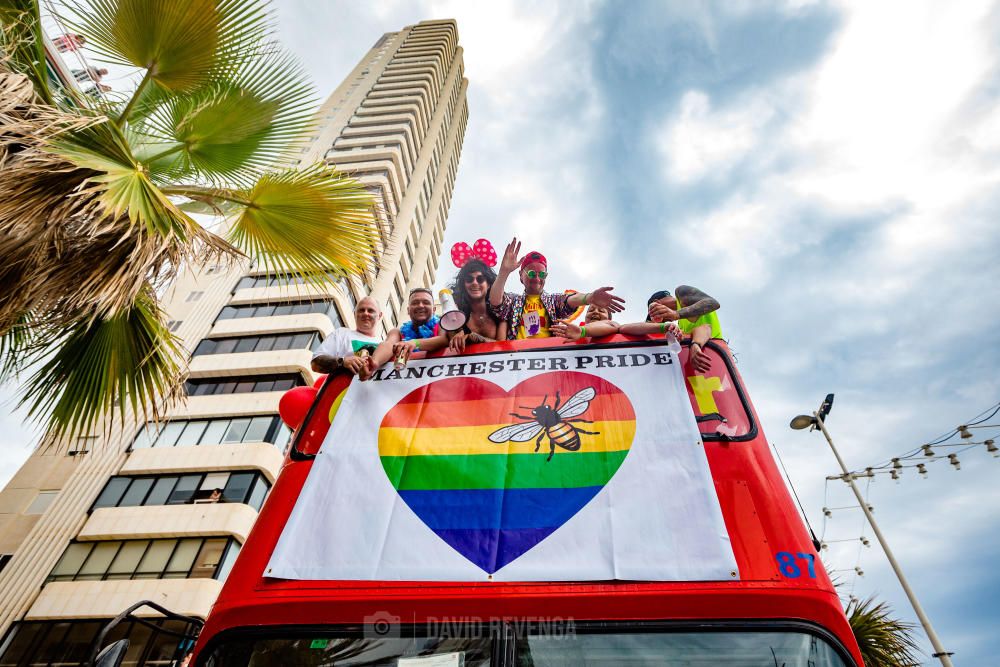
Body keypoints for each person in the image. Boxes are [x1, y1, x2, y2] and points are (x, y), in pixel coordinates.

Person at [489, 237, 625, 340]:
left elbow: (569, 300)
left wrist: (589, 297)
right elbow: (496, 302)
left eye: (542, 274)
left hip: (548, 357)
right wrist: (504, 273)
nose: (537, 278)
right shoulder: (514, 301)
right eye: (531, 273)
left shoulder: (553, 301)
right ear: (520, 276)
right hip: (519, 358)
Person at [621, 287, 721, 373]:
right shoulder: (681, 324)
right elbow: (703, 328)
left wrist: (676, 314)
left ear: (657, 303)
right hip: (707, 363)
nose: (663, 320)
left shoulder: (681, 292)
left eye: (657, 313)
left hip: (717, 354)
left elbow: (713, 303)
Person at [445, 241, 508, 353]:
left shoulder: (501, 310)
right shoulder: (455, 311)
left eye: (480, 279)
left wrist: (476, 338)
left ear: (488, 284)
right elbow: (451, 341)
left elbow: (502, 347)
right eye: (469, 279)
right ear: (464, 285)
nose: (474, 283)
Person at [370, 288, 449, 369]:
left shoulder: (443, 324)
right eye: (415, 303)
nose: (420, 305)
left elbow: (443, 339)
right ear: (408, 310)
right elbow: (389, 344)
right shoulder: (398, 332)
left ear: (434, 309)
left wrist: (415, 343)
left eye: (426, 302)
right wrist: (374, 363)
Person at [311, 296, 383, 379]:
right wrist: (342, 361)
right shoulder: (342, 334)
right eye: (361, 310)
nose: (365, 313)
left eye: (371, 310)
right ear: (355, 314)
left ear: (379, 315)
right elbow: (315, 363)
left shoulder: (385, 346)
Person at [550, 304, 621, 340]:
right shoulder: (572, 333)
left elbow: (614, 326)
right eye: (591, 310)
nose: (595, 312)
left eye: (601, 311)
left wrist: (583, 331)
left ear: (609, 319)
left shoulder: (614, 326)